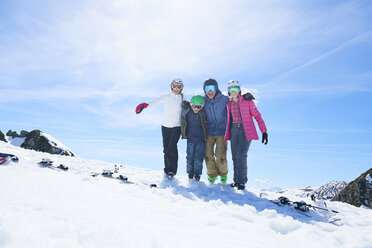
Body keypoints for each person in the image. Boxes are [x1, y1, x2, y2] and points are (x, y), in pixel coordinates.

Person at [135, 78, 184, 179]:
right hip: (165, 125)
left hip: (177, 126)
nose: (176, 88)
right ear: (171, 86)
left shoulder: (183, 99)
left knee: (172, 146)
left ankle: (172, 171)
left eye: (178, 86)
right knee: (166, 148)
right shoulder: (167, 97)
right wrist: (144, 105)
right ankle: (167, 170)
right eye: (174, 86)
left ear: (181, 88)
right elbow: (155, 102)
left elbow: (192, 107)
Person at [224, 80, 268, 190]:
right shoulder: (228, 103)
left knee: (241, 155)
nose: (234, 92)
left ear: (240, 90)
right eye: (231, 89)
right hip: (233, 130)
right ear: (228, 91)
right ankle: (236, 181)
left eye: (236, 89)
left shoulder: (247, 101)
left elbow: (257, 116)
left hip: (245, 131)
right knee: (235, 156)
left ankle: (242, 182)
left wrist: (264, 131)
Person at [203, 78, 230, 184]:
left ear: (216, 89)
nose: (210, 91)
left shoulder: (224, 99)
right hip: (209, 131)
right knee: (208, 154)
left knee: (220, 155)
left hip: (222, 132)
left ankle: (223, 175)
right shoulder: (203, 100)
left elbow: (236, 101)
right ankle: (212, 175)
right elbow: (194, 105)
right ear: (204, 90)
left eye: (212, 88)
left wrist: (245, 98)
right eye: (207, 88)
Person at [181, 95, 207, 181]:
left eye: (198, 107)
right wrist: (185, 104)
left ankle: (197, 174)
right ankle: (190, 173)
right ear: (191, 105)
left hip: (201, 140)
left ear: (202, 106)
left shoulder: (203, 113)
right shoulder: (187, 111)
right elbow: (181, 102)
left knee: (198, 158)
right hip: (190, 139)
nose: (196, 108)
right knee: (189, 157)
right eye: (194, 106)